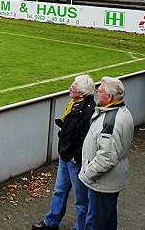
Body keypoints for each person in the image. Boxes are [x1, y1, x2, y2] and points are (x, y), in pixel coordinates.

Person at [32, 75, 96, 230]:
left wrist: (76, 157)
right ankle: (52, 222)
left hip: (74, 160)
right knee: (59, 191)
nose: (70, 88)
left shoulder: (88, 111)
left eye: (73, 87)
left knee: (81, 199)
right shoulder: (75, 104)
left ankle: (82, 227)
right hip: (65, 156)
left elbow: (87, 138)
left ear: (81, 92)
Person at [79, 76, 133, 230]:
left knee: (95, 223)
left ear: (109, 97)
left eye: (100, 91)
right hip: (111, 180)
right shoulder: (122, 112)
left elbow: (107, 158)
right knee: (108, 220)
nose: (96, 92)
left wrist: (87, 175)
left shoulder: (110, 121)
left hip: (102, 183)